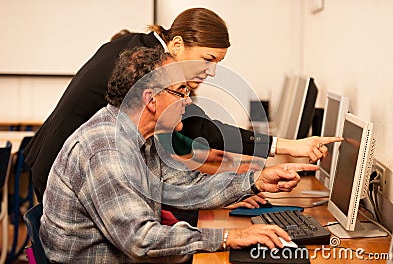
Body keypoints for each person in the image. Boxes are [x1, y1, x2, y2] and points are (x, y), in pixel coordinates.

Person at [24, 7, 341, 203]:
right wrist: (288, 146)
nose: (212, 71)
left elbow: (179, 142)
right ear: (176, 45)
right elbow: (196, 127)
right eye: (207, 59)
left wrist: (236, 184)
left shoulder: (144, 47)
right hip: (59, 172)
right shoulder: (147, 67)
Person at [40, 47, 319, 264]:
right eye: (181, 92)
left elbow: (187, 187)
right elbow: (141, 240)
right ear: (151, 100)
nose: (187, 102)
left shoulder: (142, 137)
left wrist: (256, 181)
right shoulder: (105, 149)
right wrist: (228, 237)